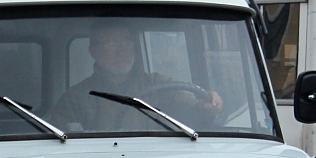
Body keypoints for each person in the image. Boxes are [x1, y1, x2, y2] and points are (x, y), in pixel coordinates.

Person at [47, 21, 222, 131]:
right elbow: (64, 144)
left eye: (126, 42)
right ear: (94, 52)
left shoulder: (157, 84)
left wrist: (206, 106)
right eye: (113, 43)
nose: (122, 50)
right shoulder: (75, 99)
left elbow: (189, 108)